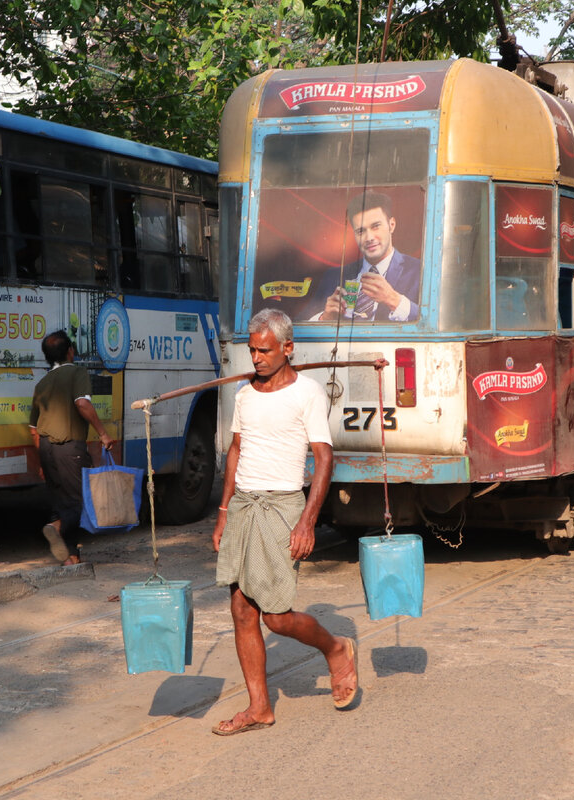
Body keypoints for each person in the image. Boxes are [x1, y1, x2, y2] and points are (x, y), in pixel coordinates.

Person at [210, 308, 359, 735]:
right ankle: (259, 707)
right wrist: (222, 513)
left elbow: (324, 458)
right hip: (243, 507)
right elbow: (236, 451)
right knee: (241, 609)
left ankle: (335, 649)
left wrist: (308, 522)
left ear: (288, 348)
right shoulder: (244, 394)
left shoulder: (307, 394)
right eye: (252, 350)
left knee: (275, 616)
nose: (255, 358)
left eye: (264, 350)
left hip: (282, 508)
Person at [29, 330, 114, 565]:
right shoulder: (77, 372)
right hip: (70, 448)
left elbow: (34, 429)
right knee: (81, 502)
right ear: (70, 352)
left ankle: (71, 558)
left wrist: (41, 462)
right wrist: (103, 433)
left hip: (46, 448)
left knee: (62, 502)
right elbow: (82, 404)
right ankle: (55, 526)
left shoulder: (42, 383)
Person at [312, 191, 421, 322]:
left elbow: (437, 323)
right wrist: (324, 318)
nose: (369, 238)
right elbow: (298, 327)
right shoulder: (334, 276)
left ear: (391, 225)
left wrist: (394, 300)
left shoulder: (419, 271)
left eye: (376, 227)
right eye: (361, 231)